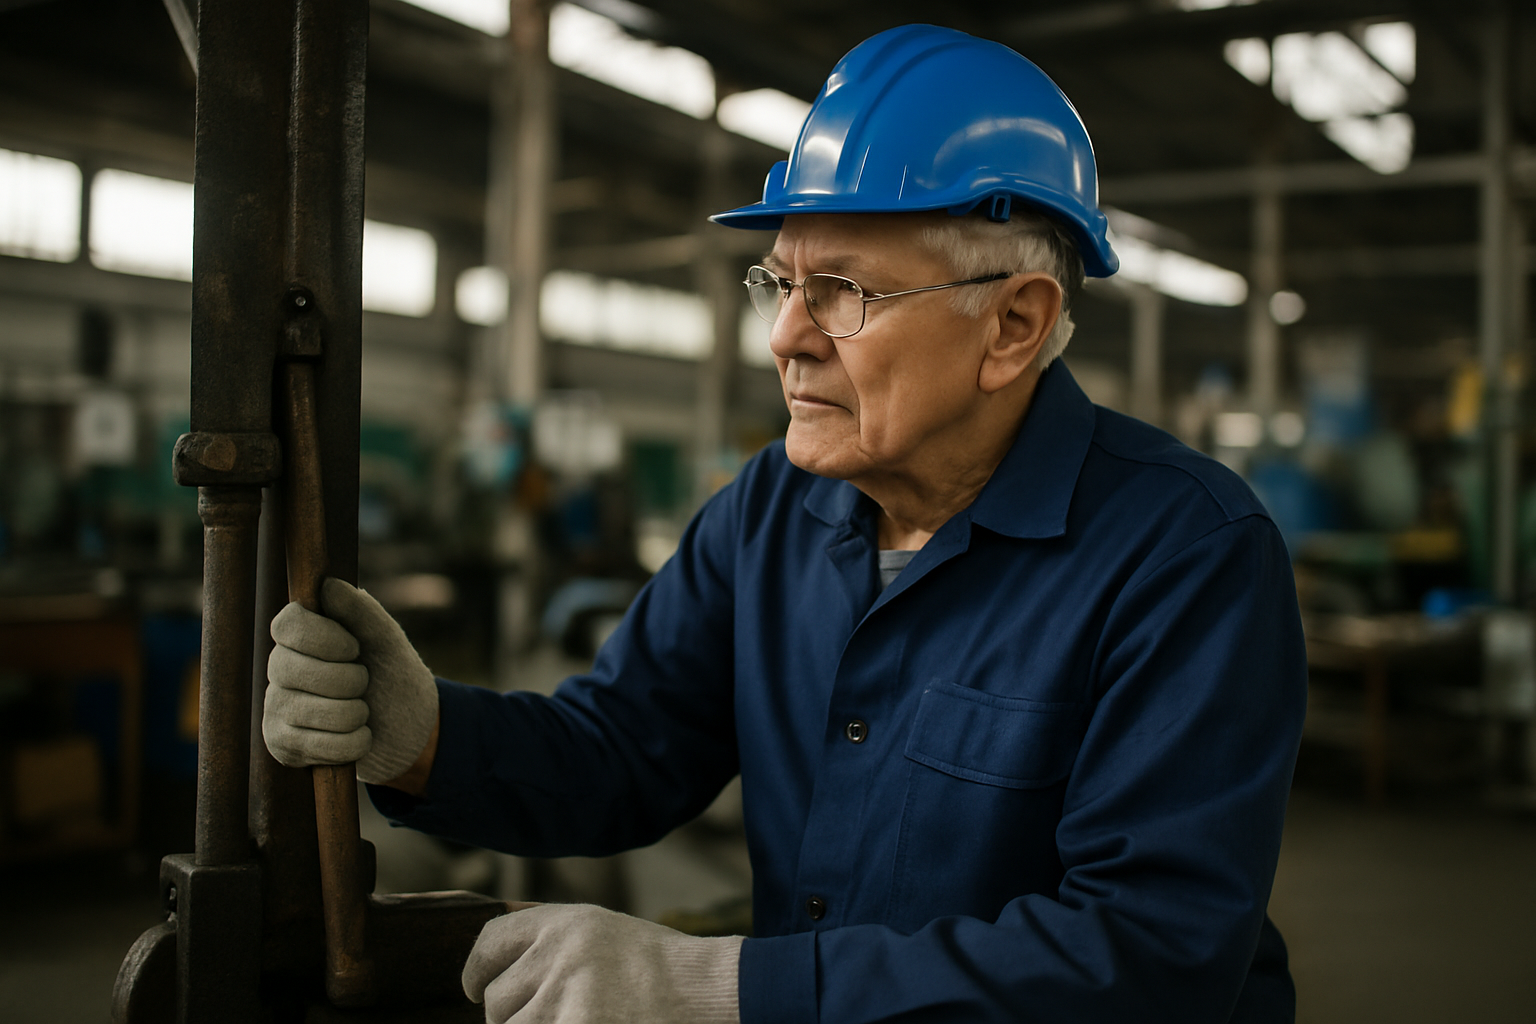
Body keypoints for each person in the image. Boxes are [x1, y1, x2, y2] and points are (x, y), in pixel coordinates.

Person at [263, 24, 1306, 1024]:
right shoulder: (771, 510)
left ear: (1014, 325)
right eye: (780, 281)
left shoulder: (1187, 557)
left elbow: (1148, 960)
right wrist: (421, 737)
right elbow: (625, 749)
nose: (783, 336)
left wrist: (722, 994)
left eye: (841, 292)